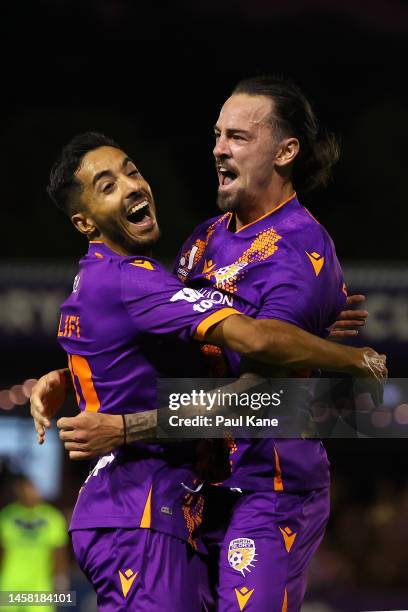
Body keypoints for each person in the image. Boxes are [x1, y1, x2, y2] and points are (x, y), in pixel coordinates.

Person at [31, 126, 385, 611]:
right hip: (139, 509)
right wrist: (353, 359)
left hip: (168, 506)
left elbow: (141, 356)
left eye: (131, 171)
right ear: (84, 222)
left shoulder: (140, 273)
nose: (132, 185)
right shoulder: (135, 280)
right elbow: (257, 339)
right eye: (107, 185)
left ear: (286, 151)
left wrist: (310, 323)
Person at [0, 475, 69, 612]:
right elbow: (2, 550)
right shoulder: (6, 516)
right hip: (9, 584)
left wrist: (61, 580)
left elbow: (59, 552)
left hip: (40, 587)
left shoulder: (52, 517)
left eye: (31, 488)